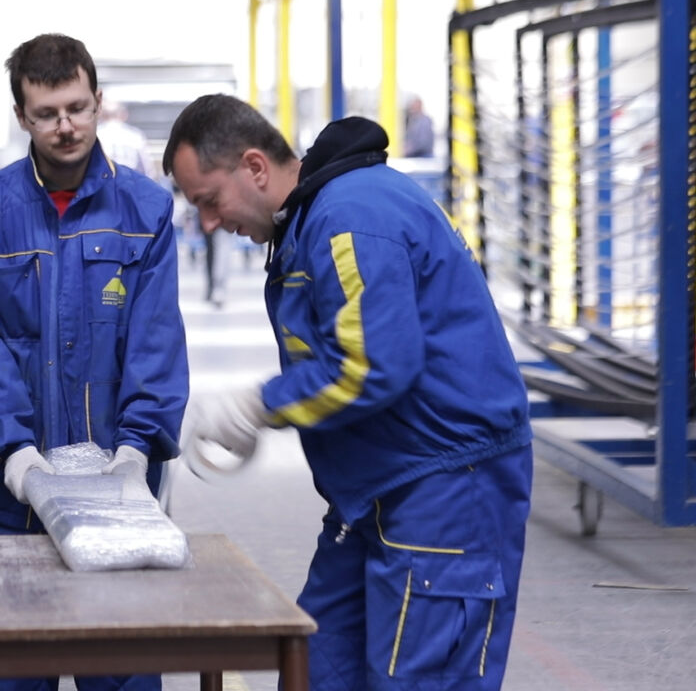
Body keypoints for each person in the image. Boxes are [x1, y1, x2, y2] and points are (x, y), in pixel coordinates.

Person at [162, 94, 533, 691]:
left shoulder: (351, 217)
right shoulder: (310, 220)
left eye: (209, 200)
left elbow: (371, 366)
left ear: (254, 167)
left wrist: (261, 406)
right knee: (315, 671)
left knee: (419, 681)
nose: (207, 223)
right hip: (375, 491)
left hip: (444, 490)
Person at [0, 33, 189, 691]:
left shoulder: (145, 211)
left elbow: (155, 341)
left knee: (121, 668)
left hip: (118, 481)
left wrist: (137, 448)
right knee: (17, 670)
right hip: (11, 488)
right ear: (21, 117)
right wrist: (15, 452)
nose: (66, 127)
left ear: (98, 101)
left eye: (77, 108)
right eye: (47, 113)